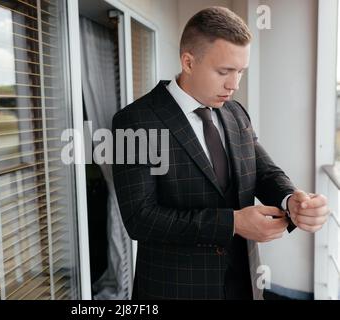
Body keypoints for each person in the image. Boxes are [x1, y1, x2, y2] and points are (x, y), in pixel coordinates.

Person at [112, 6, 330, 300]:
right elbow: (140, 218)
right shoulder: (135, 121)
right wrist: (233, 223)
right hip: (176, 290)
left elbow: (264, 171)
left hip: (243, 283)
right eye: (224, 71)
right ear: (188, 62)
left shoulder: (236, 113)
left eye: (240, 71)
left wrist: (292, 200)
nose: (234, 85)